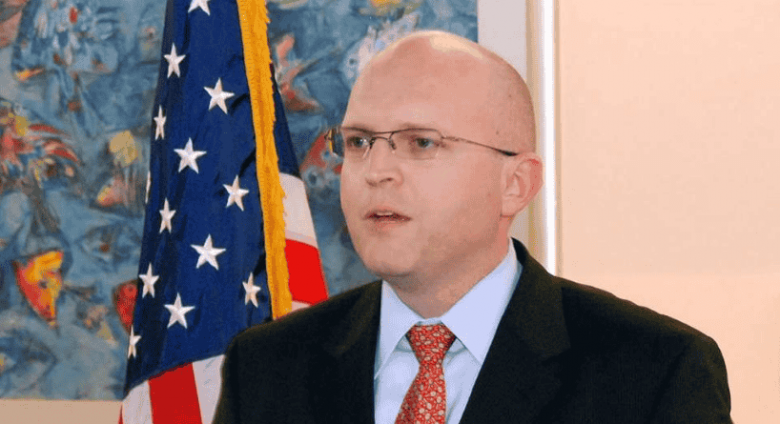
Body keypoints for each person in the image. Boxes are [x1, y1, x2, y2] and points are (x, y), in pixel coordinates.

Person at [213, 30, 732, 423]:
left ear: (516, 184)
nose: (376, 170)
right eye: (358, 142)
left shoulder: (654, 372)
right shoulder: (264, 368)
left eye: (421, 142)